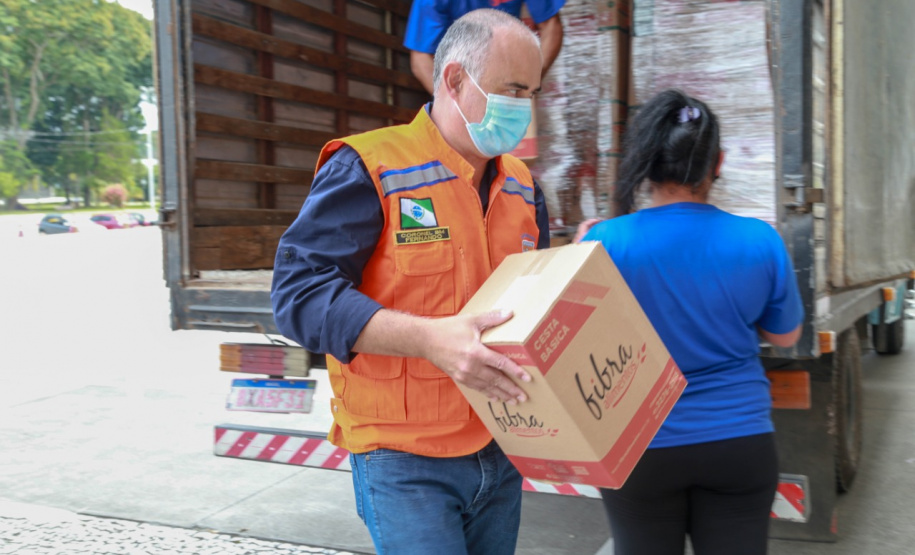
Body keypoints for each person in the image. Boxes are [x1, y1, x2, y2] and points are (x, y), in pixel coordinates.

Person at [271, 9, 550, 555]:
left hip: (500, 446)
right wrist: (431, 339)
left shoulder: (522, 185)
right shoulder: (370, 167)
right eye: (513, 90)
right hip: (402, 458)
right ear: (453, 79)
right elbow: (297, 298)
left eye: (533, 93)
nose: (525, 109)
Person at [577, 89, 804, 555]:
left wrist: (577, 256)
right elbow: (786, 337)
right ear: (716, 163)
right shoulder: (760, 240)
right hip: (739, 441)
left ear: (647, 162)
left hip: (638, 446)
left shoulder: (603, 243)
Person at [404, 0, 564, 95]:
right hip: (459, 66)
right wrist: (452, 102)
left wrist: (529, 84)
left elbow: (551, 26)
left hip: (505, 61)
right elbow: (420, 58)